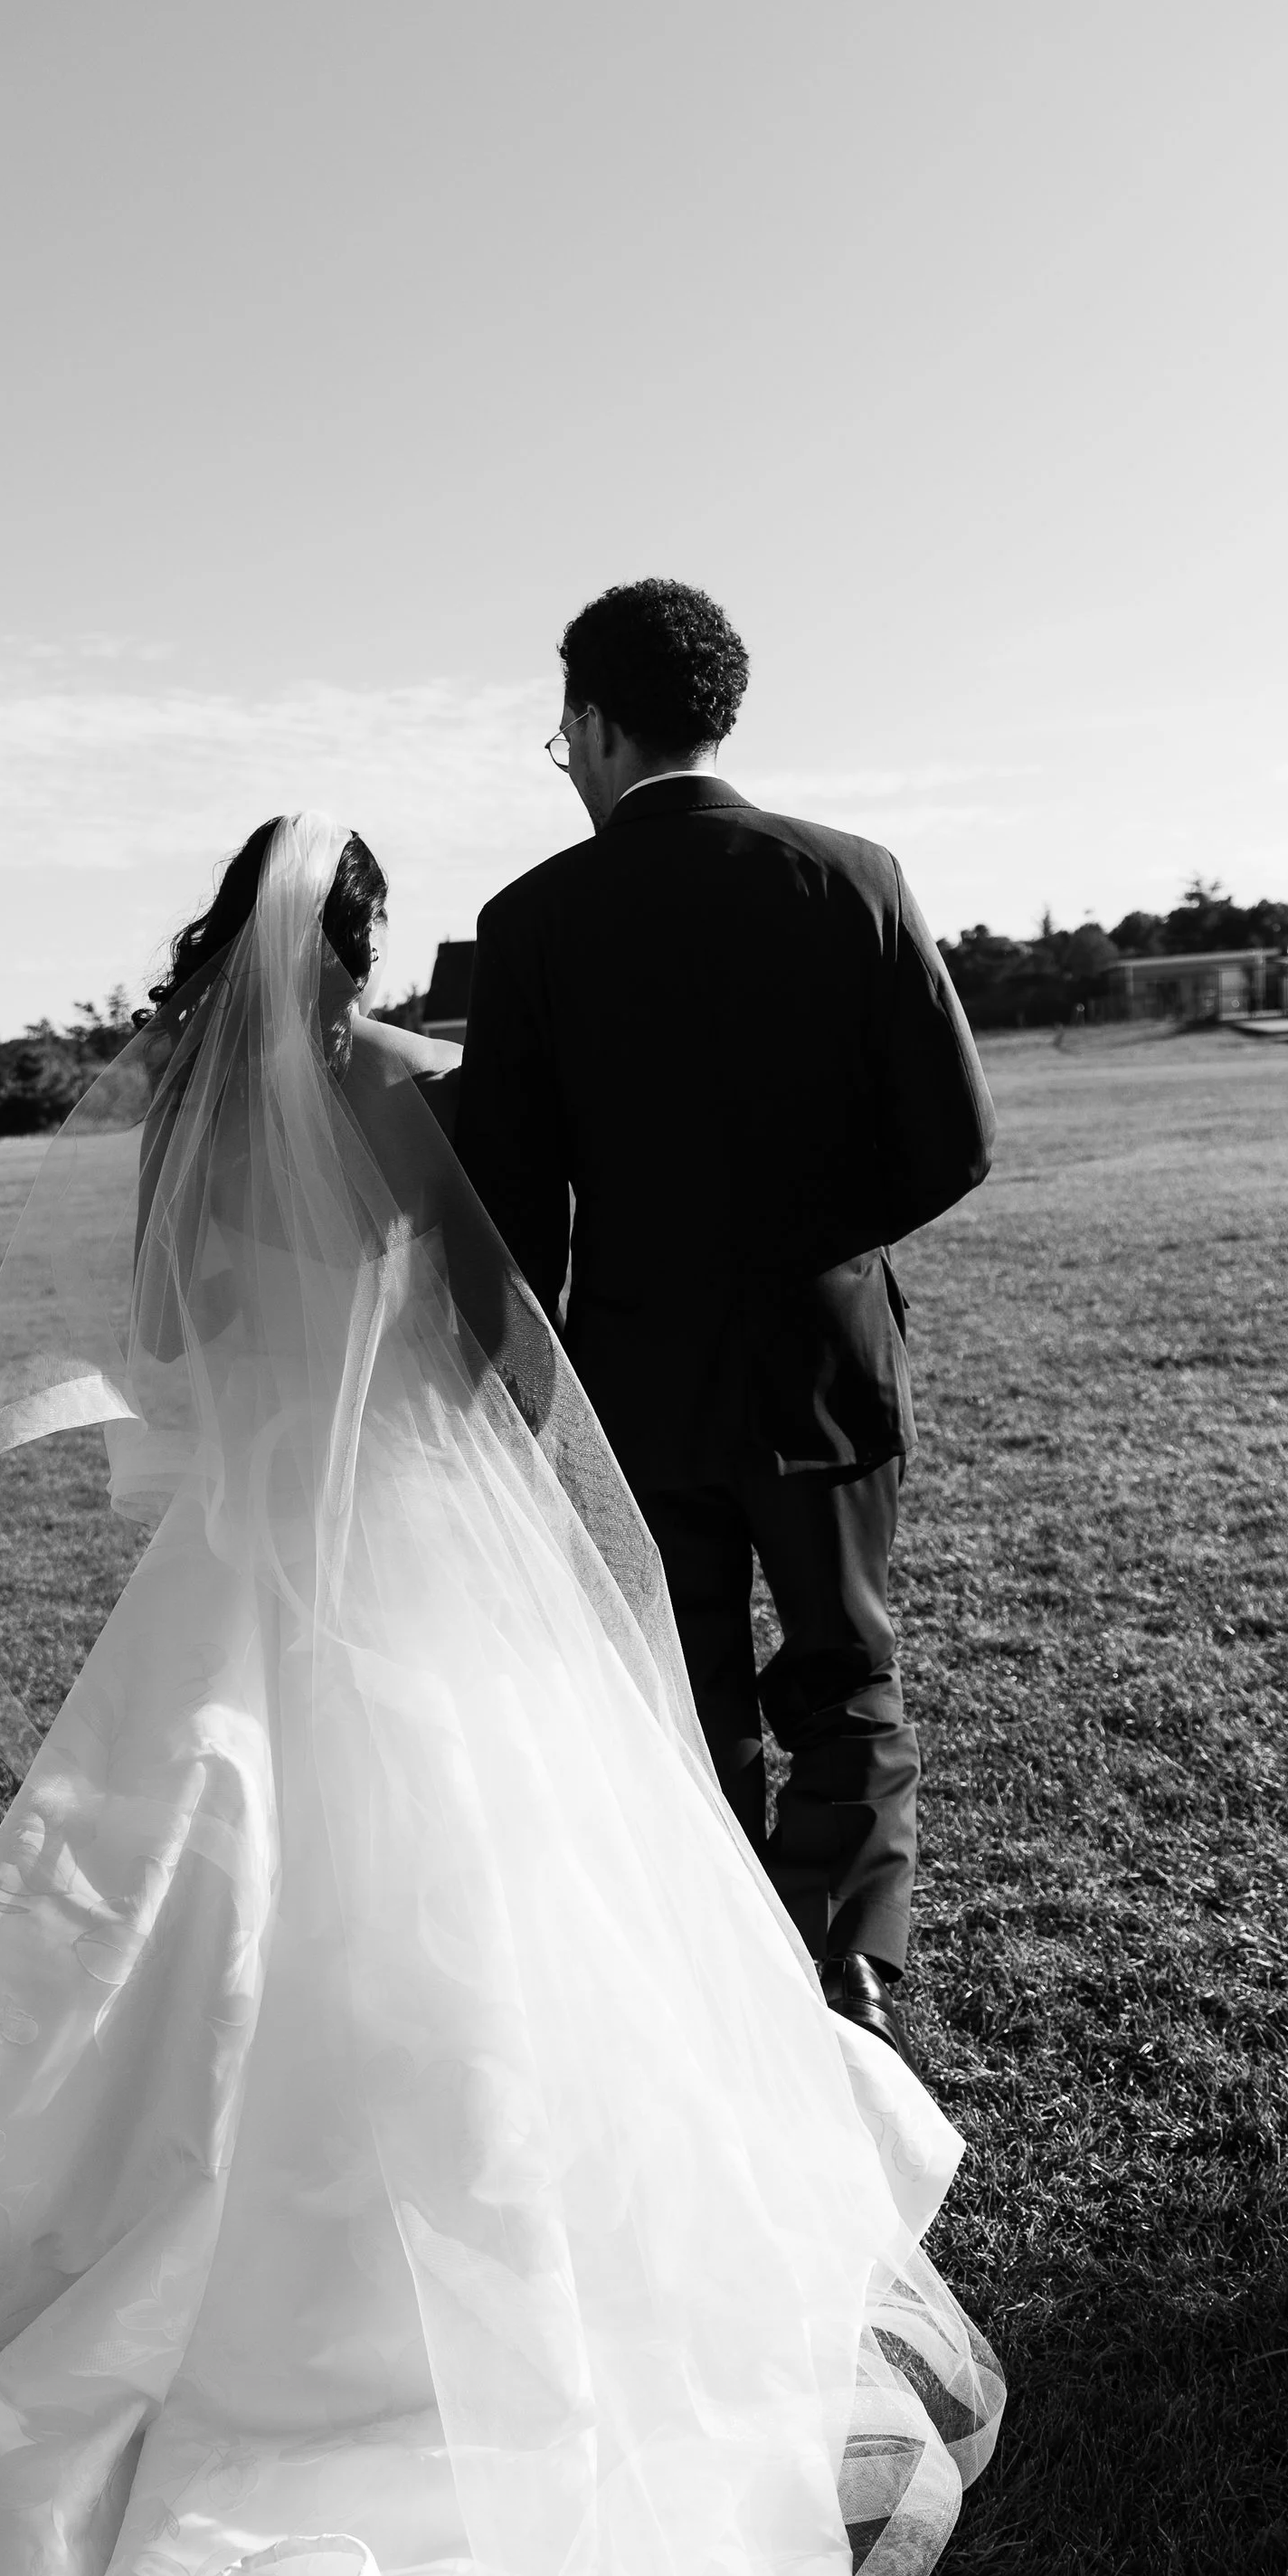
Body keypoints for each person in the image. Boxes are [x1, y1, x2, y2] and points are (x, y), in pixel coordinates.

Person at [0, 812, 999, 2576]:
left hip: (244, 1546)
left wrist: (279, 1414)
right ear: (362, 943)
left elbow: (157, 1332)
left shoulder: (182, 1118)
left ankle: (170, 2205)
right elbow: (502, 1340)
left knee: (207, 1895)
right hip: (411, 1532)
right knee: (489, 1877)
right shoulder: (394, 1099)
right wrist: (464, 1460)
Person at [459, 583, 993, 2077]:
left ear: (599, 721)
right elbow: (952, 1140)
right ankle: (853, 1970)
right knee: (847, 1671)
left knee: (686, 1692)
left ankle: (734, 1965)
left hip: (631, 1375)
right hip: (828, 1359)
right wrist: (811, 1249)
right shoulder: (857, 877)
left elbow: (507, 1202)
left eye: (561, 728)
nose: (561, 756)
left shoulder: (532, 923)